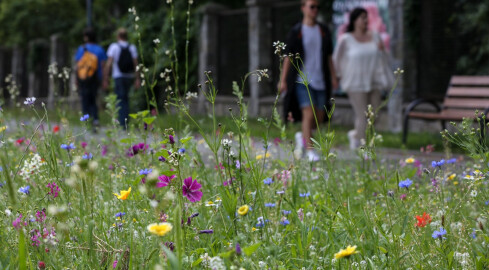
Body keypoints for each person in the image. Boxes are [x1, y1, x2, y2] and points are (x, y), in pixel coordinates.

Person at [279, 0, 338, 161]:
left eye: (317, 7)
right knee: (308, 113)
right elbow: (288, 57)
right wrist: (283, 80)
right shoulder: (296, 31)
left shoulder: (323, 31)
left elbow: (328, 57)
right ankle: (311, 151)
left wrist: (333, 76)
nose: (315, 10)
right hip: (302, 80)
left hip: (321, 79)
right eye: (312, 7)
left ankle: (302, 137)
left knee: (319, 118)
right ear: (303, 8)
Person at [333, 7, 385, 149]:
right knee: (362, 116)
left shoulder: (374, 36)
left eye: (366, 17)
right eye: (362, 17)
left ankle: (355, 135)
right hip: (354, 83)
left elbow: (382, 58)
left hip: (373, 80)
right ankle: (364, 148)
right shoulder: (346, 39)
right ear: (354, 20)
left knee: (374, 115)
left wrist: (381, 50)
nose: (365, 20)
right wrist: (338, 76)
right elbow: (336, 59)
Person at [103, 28, 140, 128]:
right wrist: (138, 78)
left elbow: (109, 64)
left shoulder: (114, 47)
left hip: (118, 76)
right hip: (129, 76)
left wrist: (106, 78)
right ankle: (126, 121)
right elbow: (136, 63)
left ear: (118, 36)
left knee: (120, 99)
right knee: (126, 99)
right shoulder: (132, 47)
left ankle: (122, 123)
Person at [74, 27, 107, 130]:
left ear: (86, 37)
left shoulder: (81, 49)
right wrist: (105, 79)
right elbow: (102, 65)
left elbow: (78, 66)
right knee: (93, 99)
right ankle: (95, 119)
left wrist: (76, 79)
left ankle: (86, 121)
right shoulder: (100, 49)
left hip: (83, 78)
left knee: (84, 99)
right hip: (95, 78)